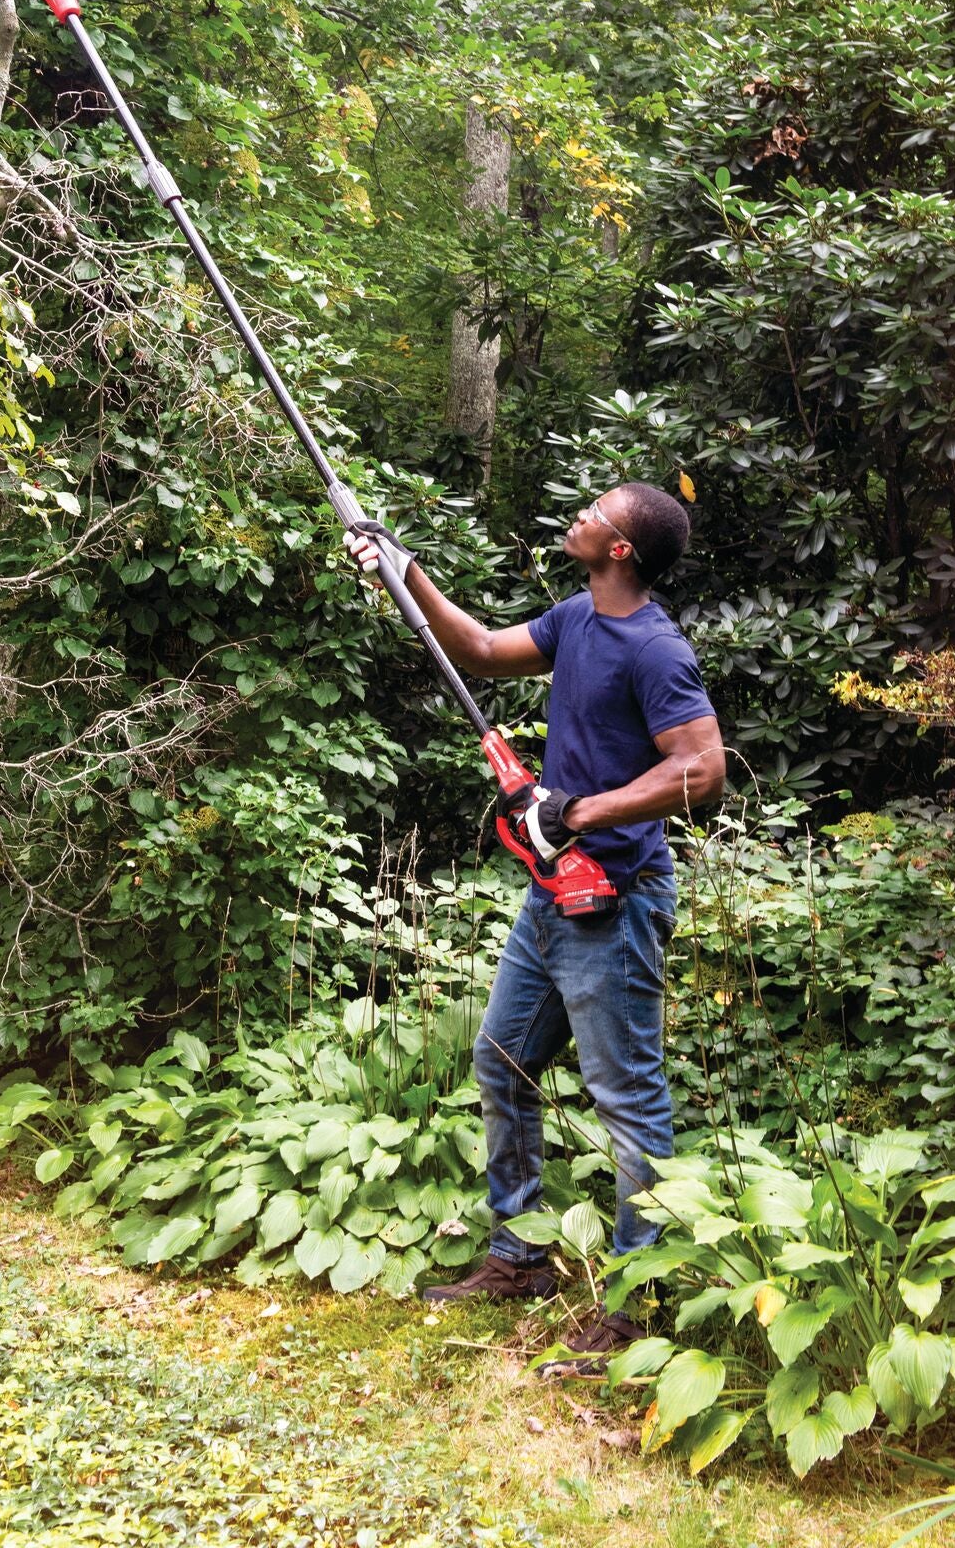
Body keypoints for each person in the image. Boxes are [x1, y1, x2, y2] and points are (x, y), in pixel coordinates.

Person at [344, 482, 725, 1371]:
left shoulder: (655, 649)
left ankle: (636, 1305)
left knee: (627, 1101)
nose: (580, 517)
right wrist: (408, 574)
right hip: (554, 891)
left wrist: (579, 812)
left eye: (596, 512)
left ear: (621, 549)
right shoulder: (577, 617)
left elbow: (701, 771)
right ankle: (520, 1256)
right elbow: (477, 648)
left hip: (617, 896)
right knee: (502, 1059)